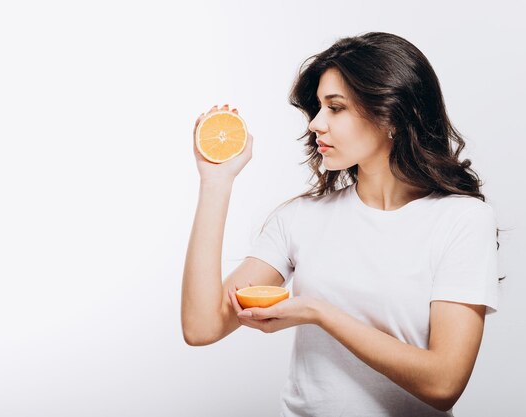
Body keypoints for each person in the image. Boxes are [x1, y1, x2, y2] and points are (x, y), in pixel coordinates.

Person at [181, 32, 502, 416]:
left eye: (335, 107)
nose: (316, 123)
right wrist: (216, 182)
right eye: (318, 107)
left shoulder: (461, 220)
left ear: (392, 116)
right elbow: (201, 327)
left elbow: (444, 382)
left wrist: (320, 312)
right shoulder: (300, 218)